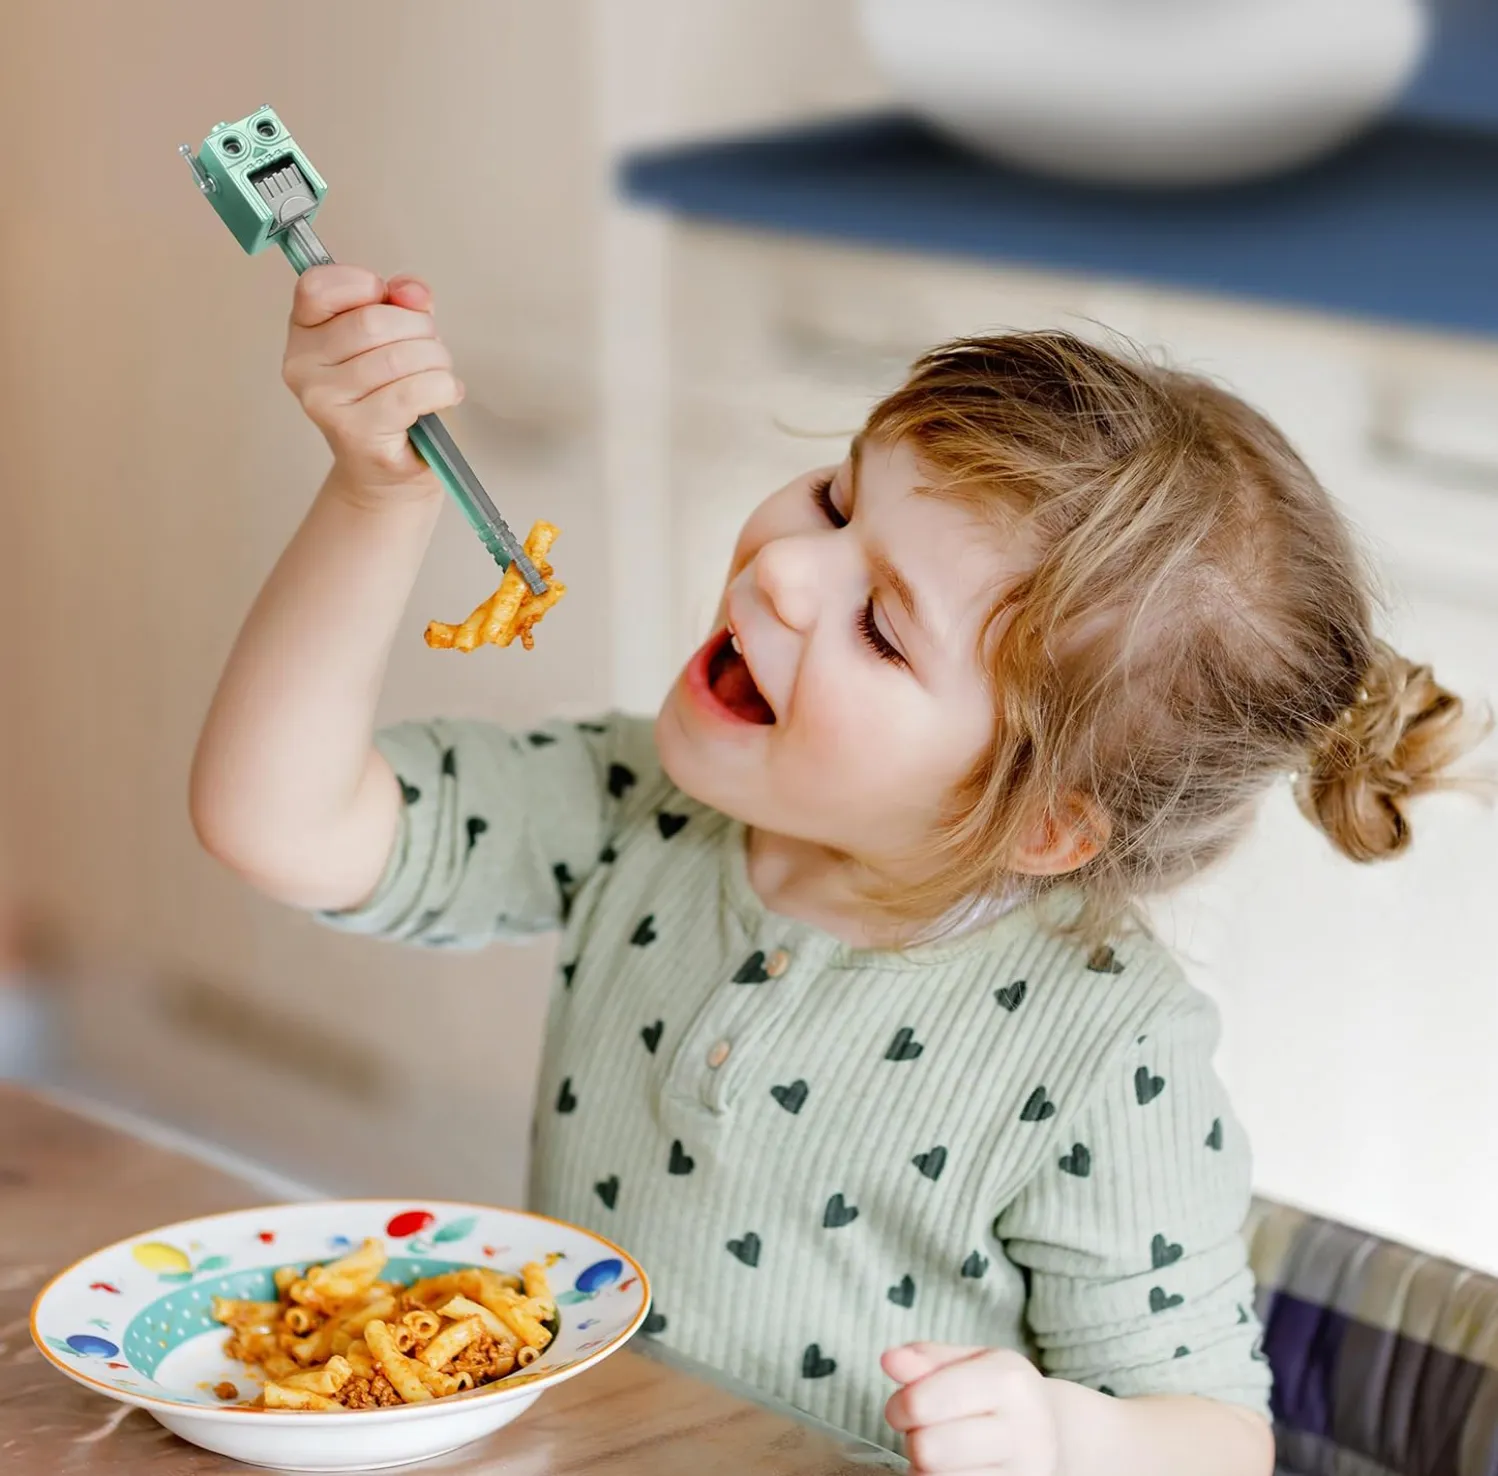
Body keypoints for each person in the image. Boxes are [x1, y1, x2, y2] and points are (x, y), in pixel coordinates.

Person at [191, 265, 1482, 1474]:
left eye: (880, 627)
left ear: (1043, 825)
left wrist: (1065, 1440)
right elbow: (279, 821)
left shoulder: (1104, 1050)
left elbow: (1213, 1436)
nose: (785, 571)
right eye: (834, 498)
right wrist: (377, 497)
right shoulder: (633, 803)